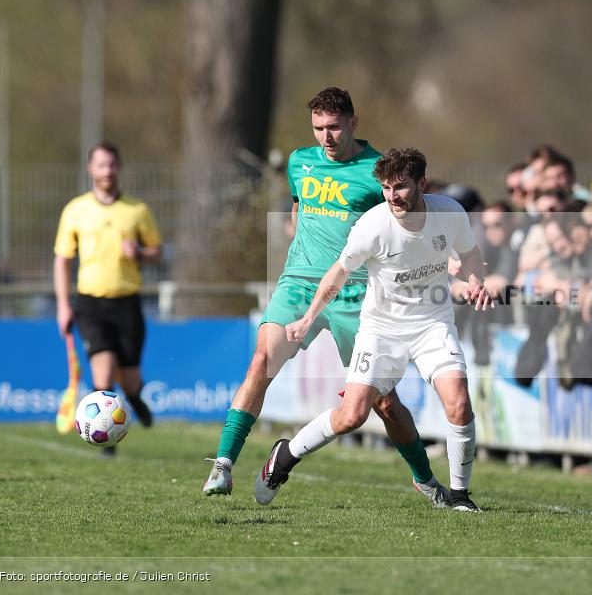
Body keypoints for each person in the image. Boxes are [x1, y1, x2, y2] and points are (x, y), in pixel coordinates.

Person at [203, 88, 448, 507]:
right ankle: (223, 465)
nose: (326, 136)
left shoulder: (377, 170)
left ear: (353, 122)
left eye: (334, 127)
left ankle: (425, 480)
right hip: (298, 284)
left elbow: (406, 221)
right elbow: (299, 207)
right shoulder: (300, 161)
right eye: (318, 128)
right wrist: (302, 236)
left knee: (385, 403)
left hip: (357, 294)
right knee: (261, 362)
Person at [256, 148, 492, 512]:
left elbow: (470, 254)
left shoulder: (450, 213)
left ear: (422, 184)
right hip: (381, 329)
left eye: (400, 186)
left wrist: (476, 281)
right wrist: (307, 319)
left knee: (459, 404)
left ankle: (460, 497)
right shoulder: (373, 225)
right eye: (386, 188)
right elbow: (337, 274)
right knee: (352, 416)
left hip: (432, 324)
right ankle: (286, 454)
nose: (392, 196)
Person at [53, 141, 162, 456]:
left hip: (127, 302)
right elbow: (62, 260)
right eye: (101, 165)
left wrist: (140, 253)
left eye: (112, 165)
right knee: (103, 373)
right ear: (91, 169)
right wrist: (63, 305)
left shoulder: (137, 210)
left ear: (119, 168)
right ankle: (106, 443)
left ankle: (135, 397)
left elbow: (157, 252)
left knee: (129, 379)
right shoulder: (75, 210)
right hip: (91, 303)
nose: (107, 171)